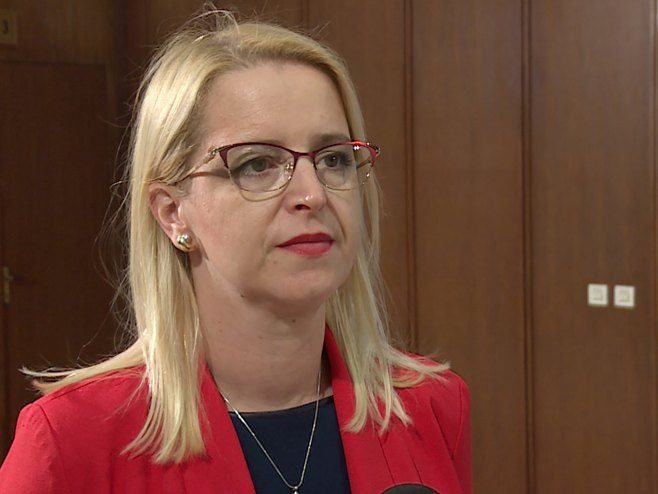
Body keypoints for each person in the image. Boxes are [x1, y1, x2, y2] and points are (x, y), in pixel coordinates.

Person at [0, 10, 471, 494]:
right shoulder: (70, 441)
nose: (312, 194)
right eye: (258, 164)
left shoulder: (433, 407)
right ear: (172, 212)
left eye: (333, 159)